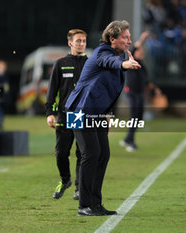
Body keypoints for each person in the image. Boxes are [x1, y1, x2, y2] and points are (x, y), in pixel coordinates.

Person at [65, 20, 141, 216]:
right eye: (125, 37)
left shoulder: (119, 54)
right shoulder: (102, 52)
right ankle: (84, 205)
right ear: (112, 38)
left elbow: (108, 89)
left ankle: (96, 204)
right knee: (90, 153)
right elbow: (111, 62)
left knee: (103, 154)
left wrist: (107, 113)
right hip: (78, 110)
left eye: (129, 37)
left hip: (95, 112)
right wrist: (124, 64)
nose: (129, 41)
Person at [45, 29, 88, 200]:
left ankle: (79, 188)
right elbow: (51, 91)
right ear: (70, 43)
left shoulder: (90, 64)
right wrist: (50, 113)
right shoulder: (60, 64)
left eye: (84, 40)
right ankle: (65, 180)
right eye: (78, 41)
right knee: (61, 153)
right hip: (64, 115)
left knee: (82, 153)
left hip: (82, 115)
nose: (82, 43)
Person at [120, 31, 161, 152]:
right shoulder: (132, 60)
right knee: (134, 117)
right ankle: (130, 142)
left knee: (138, 118)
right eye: (140, 51)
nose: (141, 52)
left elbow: (146, 81)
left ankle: (128, 139)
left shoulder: (142, 65)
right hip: (132, 92)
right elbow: (135, 46)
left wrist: (155, 89)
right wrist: (142, 39)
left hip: (140, 92)